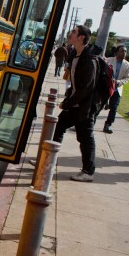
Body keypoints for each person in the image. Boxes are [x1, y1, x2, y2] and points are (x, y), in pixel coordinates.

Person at [52, 25, 98, 182]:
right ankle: (49, 159)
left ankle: (88, 172)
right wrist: (68, 99)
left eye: (73, 32)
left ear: (81, 38)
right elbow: (75, 84)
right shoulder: (75, 55)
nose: (70, 34)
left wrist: (68, 103)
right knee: (58, 127)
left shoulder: (89, 60)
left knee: (85, 138)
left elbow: (86, 88)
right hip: (75, 105)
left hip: (85, 107)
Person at [103, 45, 129, 133]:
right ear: (117, 52)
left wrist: (118, 82)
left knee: (114, 108)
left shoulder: (127, 65)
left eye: (125, 51)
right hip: (106, 88)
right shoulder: (109, 60)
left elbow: (127, 78)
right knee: (98, 106)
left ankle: (108, 125)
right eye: (122, 51)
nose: (124, 53)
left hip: (117, 89)